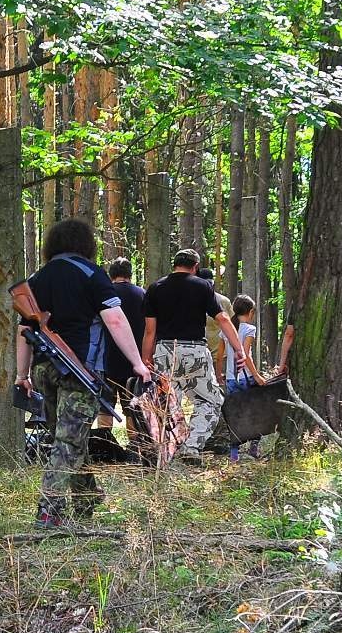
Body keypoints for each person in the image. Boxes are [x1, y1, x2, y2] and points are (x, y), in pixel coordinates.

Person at [13, 219, 153, 527]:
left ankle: (87, 498)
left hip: (43, 370)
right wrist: (138, 363)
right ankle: (50, 511)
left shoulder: (37, 278)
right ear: (86, 243)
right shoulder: (92, 274)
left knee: (67, 437)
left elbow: (24, 330)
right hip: (81, 372)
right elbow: (115, 320)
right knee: (68, 441)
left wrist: (22, 375)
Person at [142, 249, 258, 456]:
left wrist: (146, 359)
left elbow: (150, 331)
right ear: (195, 266)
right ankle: (191, 446)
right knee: (211, 400)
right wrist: (239, 349)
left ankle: (168, 449)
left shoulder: (155, 288)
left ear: (175, 264)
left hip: (164, 351)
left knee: (167, 404)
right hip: (194, 351)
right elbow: (223, 319)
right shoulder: (202, 286)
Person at [96, 258, 148, 429]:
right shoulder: (141, 294)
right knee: (132, 408)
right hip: (133, 359)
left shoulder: (105, 294)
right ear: (129, 274)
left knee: (105, 406)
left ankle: (104, 440)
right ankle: (133, 443)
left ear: (111, 275)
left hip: (106, 358)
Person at [226, 296, 261, 462]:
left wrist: (219, 374)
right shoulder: (250, 329)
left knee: (235, 414)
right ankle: (254, 447)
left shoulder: (227, 329)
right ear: (251, 312)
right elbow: (246, 355)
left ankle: (234, 454)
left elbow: (220, 355)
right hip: (246, 378)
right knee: (255, 412)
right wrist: (256, 376)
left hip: (231, 378)